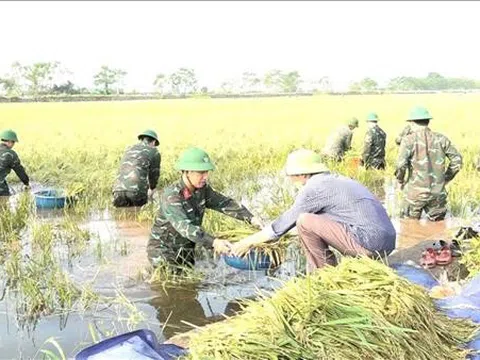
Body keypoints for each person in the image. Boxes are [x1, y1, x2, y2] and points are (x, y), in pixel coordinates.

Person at [230, 149, 396, 272]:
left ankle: (324, 273)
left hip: (368, 245)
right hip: (386, 244)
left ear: (302, 173)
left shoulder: (314, 188)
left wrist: (247, 242)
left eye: (291, 175)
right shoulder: (336, 181)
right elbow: (324, 224)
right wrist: (284, 233)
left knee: (304, 220)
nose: (290, 178)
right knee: (307, 222)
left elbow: (285, 223)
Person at [147, 147, 262, 268]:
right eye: (201, 173)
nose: (205, 176)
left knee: (191, 284)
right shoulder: (171, 196)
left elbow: (224, 203)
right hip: (163, 252)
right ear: (187, 172)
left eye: (206, 172)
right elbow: (186, 228)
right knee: (165, 284)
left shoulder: (202, 189)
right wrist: (214, 242)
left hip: (186, 249)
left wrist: (251, 218)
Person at [395, 106, 462, 221]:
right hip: (437, 194)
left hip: (414, 195)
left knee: (409, 227)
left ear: (412, 123)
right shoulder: (442, 139)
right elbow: (457, 161)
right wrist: (445, 179)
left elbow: (401, 165)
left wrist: (400, 181)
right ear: (428, 121)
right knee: (438, 229)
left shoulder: (408, 140)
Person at [112, 129, 161, 207]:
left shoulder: (128, 148)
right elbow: (154, 175)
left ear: (141, 139)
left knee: (122, 215)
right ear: (154, 142)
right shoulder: (154, 151)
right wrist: (152, 189)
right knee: (138, 215)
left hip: (117, 191)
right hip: (136, 192)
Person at [0, 129, 30, 196]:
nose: (13, 144)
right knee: (5, 198)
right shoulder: (10, 154)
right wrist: (26, 183)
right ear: (10, 142)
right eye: (13, 142)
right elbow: (19, 170)